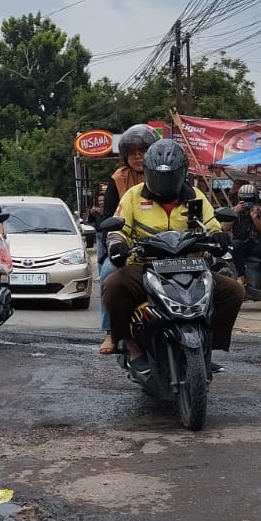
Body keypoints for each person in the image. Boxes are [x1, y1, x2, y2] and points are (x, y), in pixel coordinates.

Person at [101, 139, 244, 372]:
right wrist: (116, 244)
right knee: (113, 286)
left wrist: (219, 237)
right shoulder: (133, 196)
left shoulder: (196, 196)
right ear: (147, 173)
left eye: (169, 177)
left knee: (233, 291)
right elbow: (119, 228)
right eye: (157, 176)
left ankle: (208, 348)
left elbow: (212, 225)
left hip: (191, 266)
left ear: (182, 174)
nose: (163, 182)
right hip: (146, 265)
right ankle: (129, 345)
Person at [96, 124, 160, 355]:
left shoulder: (168, 175)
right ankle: (111, 332)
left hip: (168, 246)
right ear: (125, 156)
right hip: (131, 246)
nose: (137, 157)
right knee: (107, 273)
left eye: (143, 151)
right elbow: (109, 218)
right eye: (132, 152)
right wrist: (117, 245)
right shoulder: (119, 179)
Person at [229, 183, 261, 291]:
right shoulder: (234, 210)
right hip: (241, 243)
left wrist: (255, 219)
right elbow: (225, 228)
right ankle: (241, 276)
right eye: (244, 199)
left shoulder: (259, 210)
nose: (247, 203)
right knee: (235, 244)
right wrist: (234, 213)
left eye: (249, 199)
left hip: (256, 243)